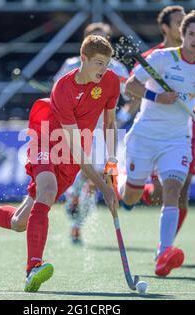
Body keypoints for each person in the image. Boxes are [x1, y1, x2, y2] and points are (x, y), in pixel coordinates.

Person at [0, 35, 120, 292]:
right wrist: (104, 188)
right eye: (98, 63)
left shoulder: (110, 82)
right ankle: (33, 268)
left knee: (20, 222)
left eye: (106, 64)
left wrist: (111, 166)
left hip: (74, 149)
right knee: (48, 190)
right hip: (46, 138)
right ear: (83, 59)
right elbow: (73, 146)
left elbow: (109, 124)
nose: (103, 70)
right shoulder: (62, 88)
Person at [121, 10, 195, 277]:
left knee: (172, 190)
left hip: (177, 139)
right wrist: (155, 96)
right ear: (182, 35)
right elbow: (130, 86)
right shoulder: (161, 58)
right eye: (191, 34)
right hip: (145, 135)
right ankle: (120, 182)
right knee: (131, 197)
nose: (194, 39)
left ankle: (163, 254)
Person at [54, 22, 131, 245]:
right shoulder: (70, 64)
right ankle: (74, 194)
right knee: (87, 173)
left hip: (101, 129)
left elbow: (131, 98)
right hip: (75, 128)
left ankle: (77, 225)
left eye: (104, 38)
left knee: (93, 175)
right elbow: (59, 93)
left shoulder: (116, 70)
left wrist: (123, 115)